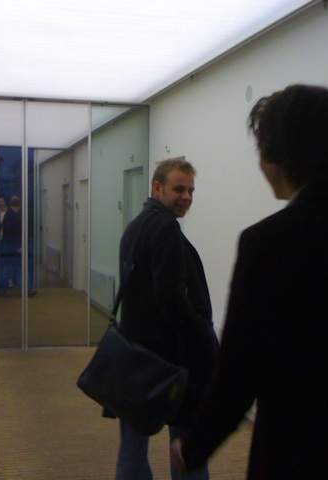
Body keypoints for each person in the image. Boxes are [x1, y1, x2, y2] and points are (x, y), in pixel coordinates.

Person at [170, 84, 328, 479]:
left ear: (276, 156)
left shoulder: (268, 242)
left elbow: (239, 374)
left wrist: (193, 447)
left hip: (300, 454)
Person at [115, 158, 219, 480]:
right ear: (157, 188)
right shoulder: (165, 227)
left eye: (190, 190)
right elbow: (172, 298)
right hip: (171, 360)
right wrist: (203, 339)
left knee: (132, 447)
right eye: (179, 189)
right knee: (186, 445)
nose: (186, 196)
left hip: (136, 358)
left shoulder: (136, 227)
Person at [0, 195, 22, 296]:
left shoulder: (8, 214)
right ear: (20, 205)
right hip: (13, 244)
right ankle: (26, 288)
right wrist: (19, 246)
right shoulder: (14, 215)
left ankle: (3, 290)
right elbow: (16, 232)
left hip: (6, 244)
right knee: (19, 267)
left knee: (6, 268)